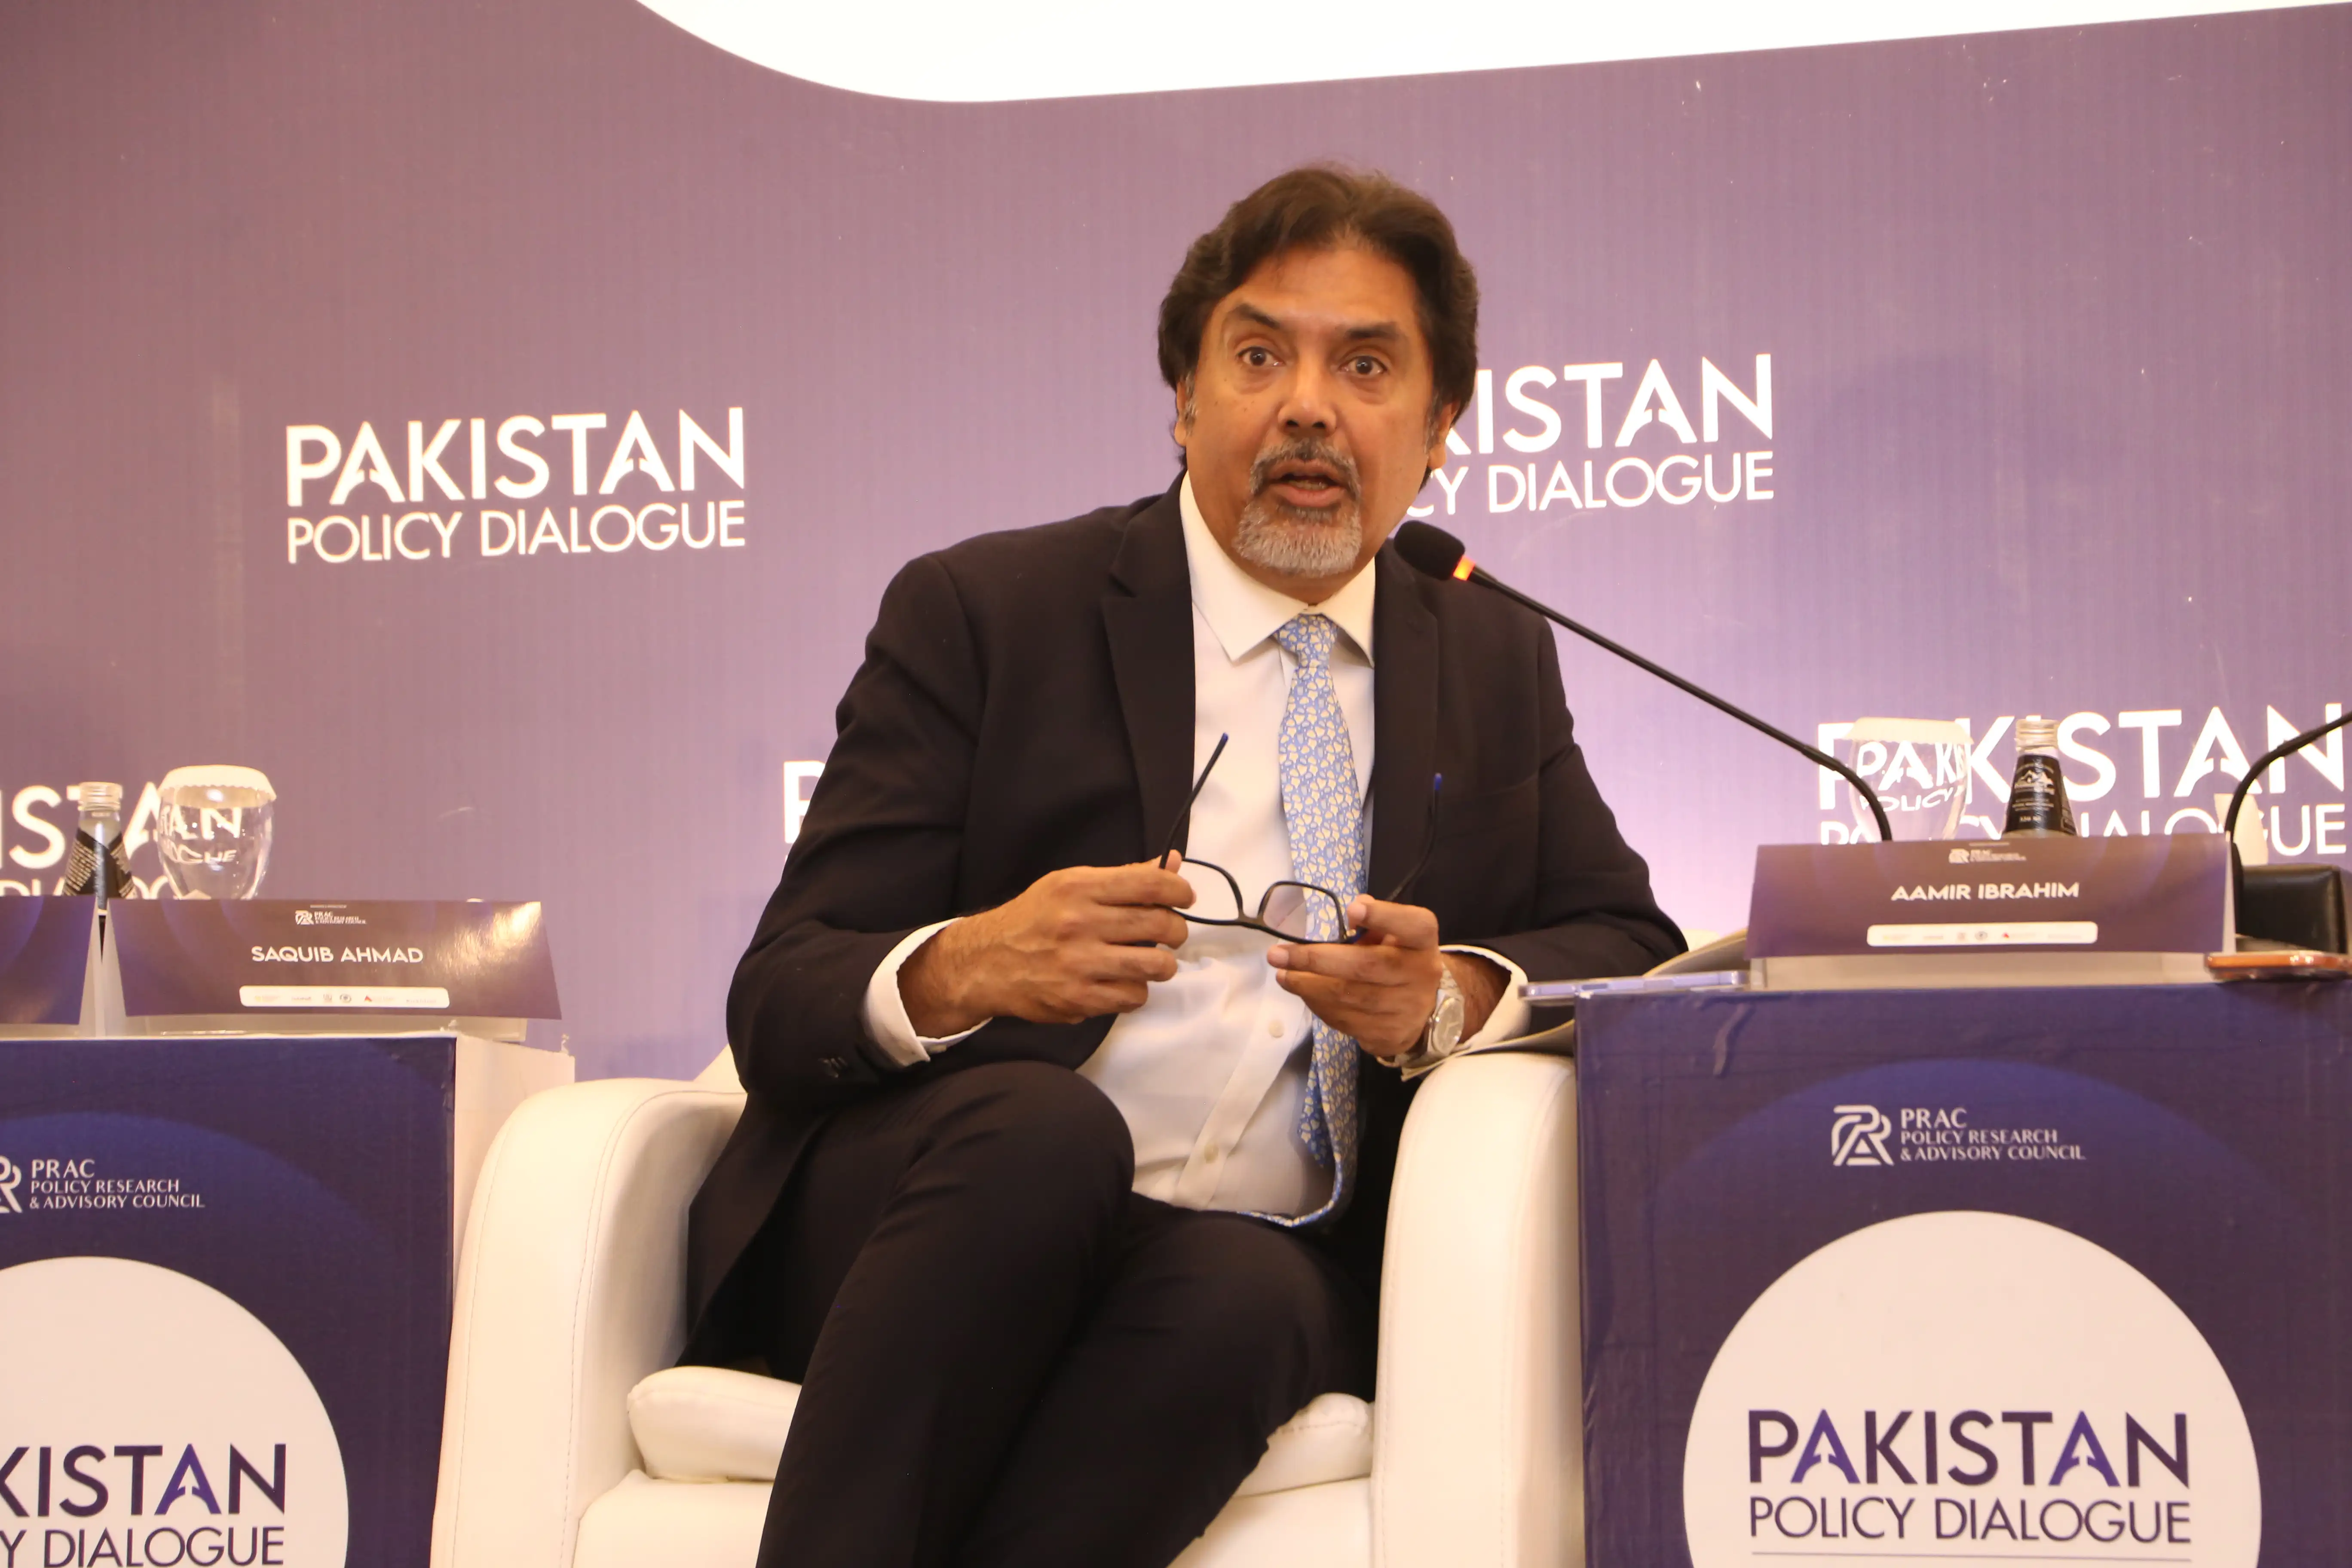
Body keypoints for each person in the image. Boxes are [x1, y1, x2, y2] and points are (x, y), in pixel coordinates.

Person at [687, 164, 1684, 1568]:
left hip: (1261, 1244)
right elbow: (782, 995)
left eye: (1366, 366)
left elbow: (1634, 946)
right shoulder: (989, 612)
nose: (1308, 406)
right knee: (1046, 1135)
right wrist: (969, 963)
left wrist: (1450, 996)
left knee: (1249, 1294)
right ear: (1185, 397)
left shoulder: (1490, 655)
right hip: (941, 1218)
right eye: (1260, 356)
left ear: (1441, 426)